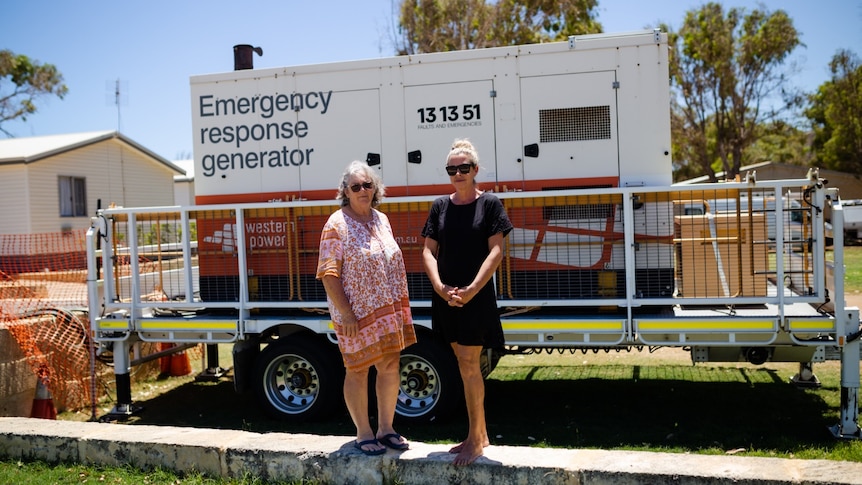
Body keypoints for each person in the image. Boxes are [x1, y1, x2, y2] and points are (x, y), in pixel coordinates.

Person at [420, 139, 513, 465]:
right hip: (447, 296)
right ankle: (479, 434)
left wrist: (473, 288)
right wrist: (439, 286)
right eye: (451, 169)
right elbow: (429, 251)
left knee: (471, 366)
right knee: (461, 363)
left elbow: (496, 251)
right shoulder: (439, 206)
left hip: (474, 297)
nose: (457, 174)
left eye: (463, 168)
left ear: (475, 170)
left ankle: (475, 440)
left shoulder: (490, 204)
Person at [317, 160, 417, 456]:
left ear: (376, 189)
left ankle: (386, 429)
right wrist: (345, 312)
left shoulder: (381, 219)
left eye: (367, 185)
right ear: (345, 191)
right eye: (356, 186)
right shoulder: (336, 224)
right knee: (357, 369)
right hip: (355, 315)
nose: (363, 190)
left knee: (389, 366)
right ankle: (364, 432)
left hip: (388, 309)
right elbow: (328, 272)